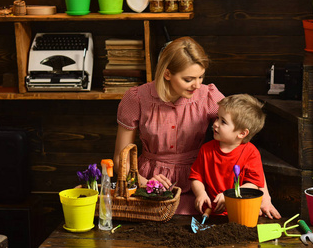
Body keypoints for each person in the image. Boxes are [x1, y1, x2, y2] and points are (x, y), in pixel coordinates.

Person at [113, 36, 280, 218]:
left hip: (200, 186)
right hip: (151, 185)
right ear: (167, 74)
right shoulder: (136, 98)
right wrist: (144, 183)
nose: (198, 85)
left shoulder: (207, 96)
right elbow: (121, 158)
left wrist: (265, 197)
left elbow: (242, 142)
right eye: (189, 79)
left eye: (201, 77)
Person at [189, 94, 265, 215]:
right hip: (211, 210)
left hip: (239, 211)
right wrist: (200, 193)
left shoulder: (251, 153)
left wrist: (230, 195)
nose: (215, 124)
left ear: (242, 133)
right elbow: (196, 177)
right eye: (217, 118)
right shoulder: (206, 149)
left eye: (223, 121)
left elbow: (254, 184)